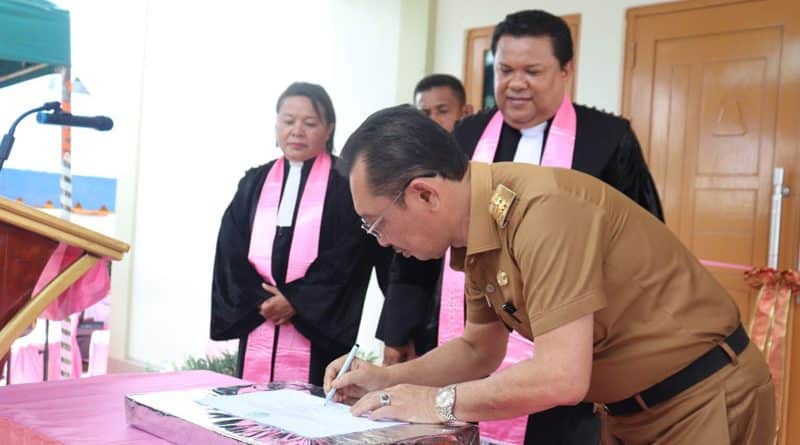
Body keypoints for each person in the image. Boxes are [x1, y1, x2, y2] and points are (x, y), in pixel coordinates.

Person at [325, 105, 775, 445]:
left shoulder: (542, 212)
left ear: (425, 194)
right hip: (627, 411)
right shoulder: (477, 225)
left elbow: (561, 376)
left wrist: (436, 402)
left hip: (700, 397)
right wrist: (387, 380)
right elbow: (479, 349)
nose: (380, 241)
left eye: (376, 223)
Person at [378, 10, 665, 443]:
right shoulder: (464, 136)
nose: (515, 83)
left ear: (566, 70)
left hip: (574, 346)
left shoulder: (607, 139)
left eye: (532, 71)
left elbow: (643, 245)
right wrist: (399, 328)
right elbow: (422, 232)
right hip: (470, 338)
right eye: (505, 70)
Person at [210, 82, 389, 387]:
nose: (297, 131)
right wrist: (259, 299)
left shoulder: (345, 183)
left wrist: (297, 301)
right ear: (276, 124)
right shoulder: (254, 181)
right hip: (260, 317)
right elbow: (231, 248)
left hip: (318, 330)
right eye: (288, 121)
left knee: (314, 402)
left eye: (309, 123)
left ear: (329, 129)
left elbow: (349, 254)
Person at [376, 74, 472, 367]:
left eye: (442, 111)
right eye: (424, 113)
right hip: (427, 320)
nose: (433, 121)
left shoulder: (480, 168)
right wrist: (396, 333)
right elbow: (404, 265)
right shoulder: (410, 174)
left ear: (465, 113)